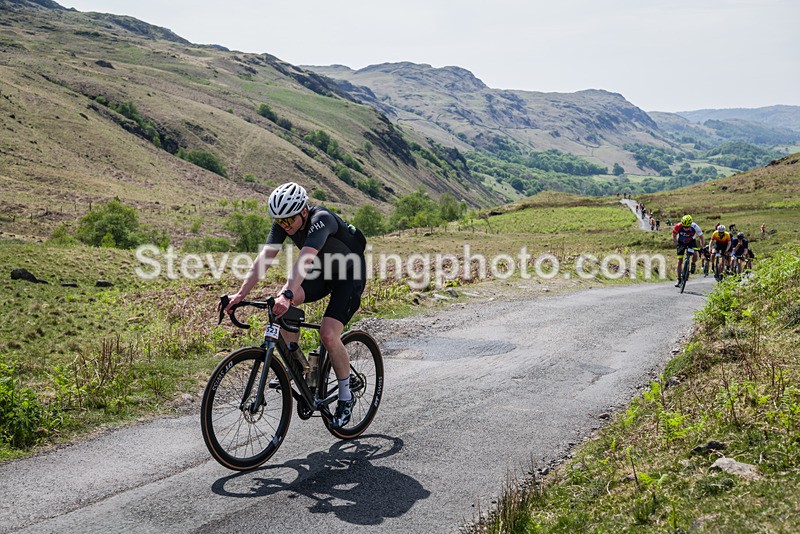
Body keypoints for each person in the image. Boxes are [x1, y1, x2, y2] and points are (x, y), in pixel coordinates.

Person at [222, 182, 368, 429]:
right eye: (280, 221)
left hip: (349, 276)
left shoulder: (321, 219)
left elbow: (304, 259)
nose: (285, 226)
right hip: (322, 274)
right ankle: (300, 365)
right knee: (280, 307)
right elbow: (264, 259)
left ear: (303, 211)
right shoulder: (283, 223)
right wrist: (240, 294)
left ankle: (345, 397)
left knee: (328, 334)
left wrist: (288, 293)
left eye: (289, 220)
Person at [672, 214, 705, 286]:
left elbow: (701, 237)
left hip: (691, 242)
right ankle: (679, 279)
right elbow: (674, 236)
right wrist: (677, 244)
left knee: (695, 253)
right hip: (681, 242)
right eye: (684, 227)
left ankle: (693, 263)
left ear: (690, 224)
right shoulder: (678, 226)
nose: (686, 228)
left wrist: (702, 247)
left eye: (687, 227)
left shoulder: (695, 226)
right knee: (679, 261)